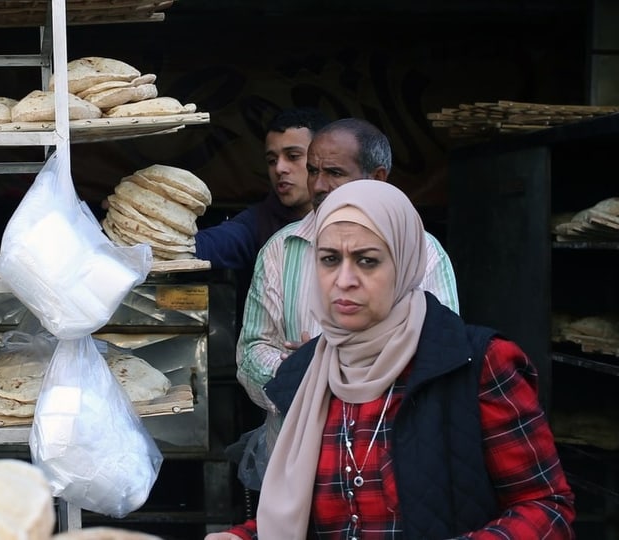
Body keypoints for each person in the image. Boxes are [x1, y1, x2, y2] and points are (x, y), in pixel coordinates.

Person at [234, 180, 575, 538]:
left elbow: (546, 507)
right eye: (329, 259)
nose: (344, 280)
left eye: (367, 261)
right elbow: (296, 515)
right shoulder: (307, 374)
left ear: (405, 263)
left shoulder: (476, 364)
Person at [236, 118, 459, 411]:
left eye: (334, 173)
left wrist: (335, 366)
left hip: (385, 443)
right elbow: (251, 352)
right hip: (297, 446)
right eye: (313, 171)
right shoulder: (280, 249)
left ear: (377, 178)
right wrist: (297, 373)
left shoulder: (424, 251)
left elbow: (443, 353)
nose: (318, 185)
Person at [193, 107, 330, 270]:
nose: (279, 168)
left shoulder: (351, 215)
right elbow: (207, 245)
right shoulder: (258, 222)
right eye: (272, 160)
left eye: (293, 156)